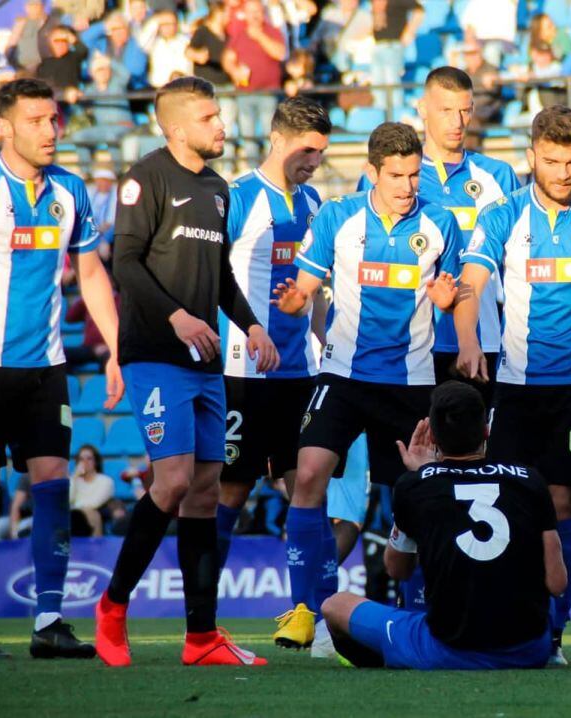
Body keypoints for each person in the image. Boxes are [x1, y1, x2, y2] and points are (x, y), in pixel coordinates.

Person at [94, 76, 279, 669]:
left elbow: (220, 275)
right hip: (154, 354)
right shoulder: (145, 178)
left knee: (203, 492)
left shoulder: (219, 188)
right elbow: (123, 262)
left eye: (219, 115)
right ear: (175, 128)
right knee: (171, 484)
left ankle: (201, 638)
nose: (221, 125)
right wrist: (174, 316)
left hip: (205, 361)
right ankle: (112, 607)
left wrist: (249, 324)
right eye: (208, 117)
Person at [454, 106, 571, 665]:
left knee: (564, 502)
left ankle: (552, 634)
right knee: (509, 503)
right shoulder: (502, 214)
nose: (564, 172)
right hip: (514, 387)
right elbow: (470, 286)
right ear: (532, 156)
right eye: (553, 161)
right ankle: (508, 618)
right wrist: (468, 341)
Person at [270, 121, 461, 657]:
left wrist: (449, 302)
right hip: (344, 376)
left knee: (416, 497)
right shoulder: (337, 217)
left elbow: (453, 295)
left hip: (410, 384)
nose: (407, 185)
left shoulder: (441, 222)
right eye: (396, 175)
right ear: (372, 172)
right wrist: (292, 302)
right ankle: (311, 614)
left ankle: (424, 613)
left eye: (414, 174)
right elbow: (305, 288)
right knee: (308, 475)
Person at [0, 78, 121, 661]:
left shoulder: (70, 191)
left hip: (46, 367)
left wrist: (115, 347)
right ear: (3, 126)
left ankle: (50, 620)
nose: (51, 131)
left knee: (52, 478)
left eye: (54, 119)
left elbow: (93, 274)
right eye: (35, 121)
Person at [320, 381, 566, 670]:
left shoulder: (416, 486)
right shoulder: (529, 480)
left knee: (333, 606)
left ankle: (388, 660)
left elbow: (398, 569)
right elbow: (557, 582)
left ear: (433, 437)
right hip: (528, 650)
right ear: (486, 430)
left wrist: (421, 478)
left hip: (446, 649)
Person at [207, 94, 330, 635]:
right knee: (230, 490)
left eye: (322, 154)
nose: (313, 162)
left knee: (307, 484)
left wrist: (322, 330)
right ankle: (201, 616)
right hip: (241, 373)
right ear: (277, 138)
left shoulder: (313, 203)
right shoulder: (236, 198)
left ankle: (310, 616)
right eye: (307, 150)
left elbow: (316, 282)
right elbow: (209, 276)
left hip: (298, 372)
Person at [360, 67, 520, 406]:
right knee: (413, 454)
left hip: (484, 339)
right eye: (446, 110)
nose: (457, 121)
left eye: (465, 109)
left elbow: (516, 262)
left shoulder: (499, 176)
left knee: (476, 453)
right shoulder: (394, 173)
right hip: (411, 345)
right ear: (422, 108)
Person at [223, 0, 286, 163]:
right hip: (245, 92)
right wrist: (233, 70)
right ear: (245, 14)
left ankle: (272, 166)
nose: (255, 15)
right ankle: (252, 167)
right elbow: (228, 59)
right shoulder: (238, 34)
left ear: (263, 12)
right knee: (248, 134)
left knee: (269, 134)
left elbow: (279, 54)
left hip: (268, 92)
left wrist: (260, 36)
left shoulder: (273, 31)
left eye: (257, 11)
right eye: (251, 12)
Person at [370, 0, 424, 120]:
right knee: (378, 85)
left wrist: (409, 32)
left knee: (392, 83)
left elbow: (419, 11)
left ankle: (395, 118)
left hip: (392, 45)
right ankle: (380, 120)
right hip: (378, 45)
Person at [69, 445, 115, 538]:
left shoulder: (106, 481)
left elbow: (94, 503)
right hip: (73, 515)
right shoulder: (74, 480)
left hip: (91, 515)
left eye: (89, 458)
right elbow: (67, 500)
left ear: (96, 461)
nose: (85, 462)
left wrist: (76, 507)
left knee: (87, 514)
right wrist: (74, 477)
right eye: (81, 459)